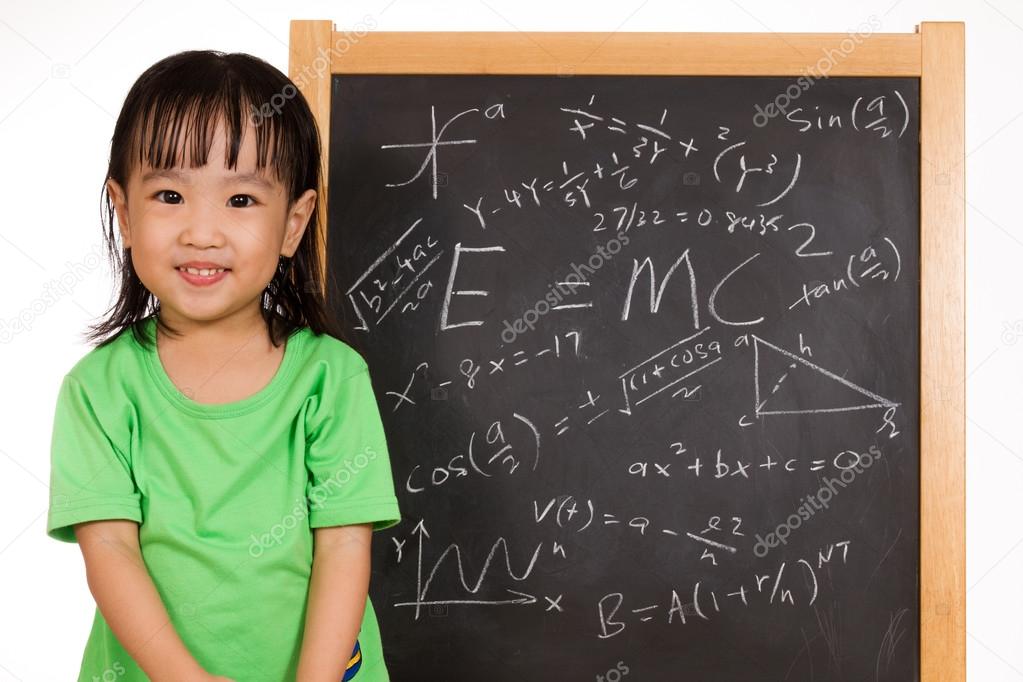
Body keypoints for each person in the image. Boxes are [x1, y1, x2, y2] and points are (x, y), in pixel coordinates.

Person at [45, 50, 402, 681]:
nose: (202, 231)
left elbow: (345, 544)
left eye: (240, 199)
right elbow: (110, 552)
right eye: (171, 195)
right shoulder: (100, 390)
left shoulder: (331, 379)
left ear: (293, 223)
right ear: (125, 212)